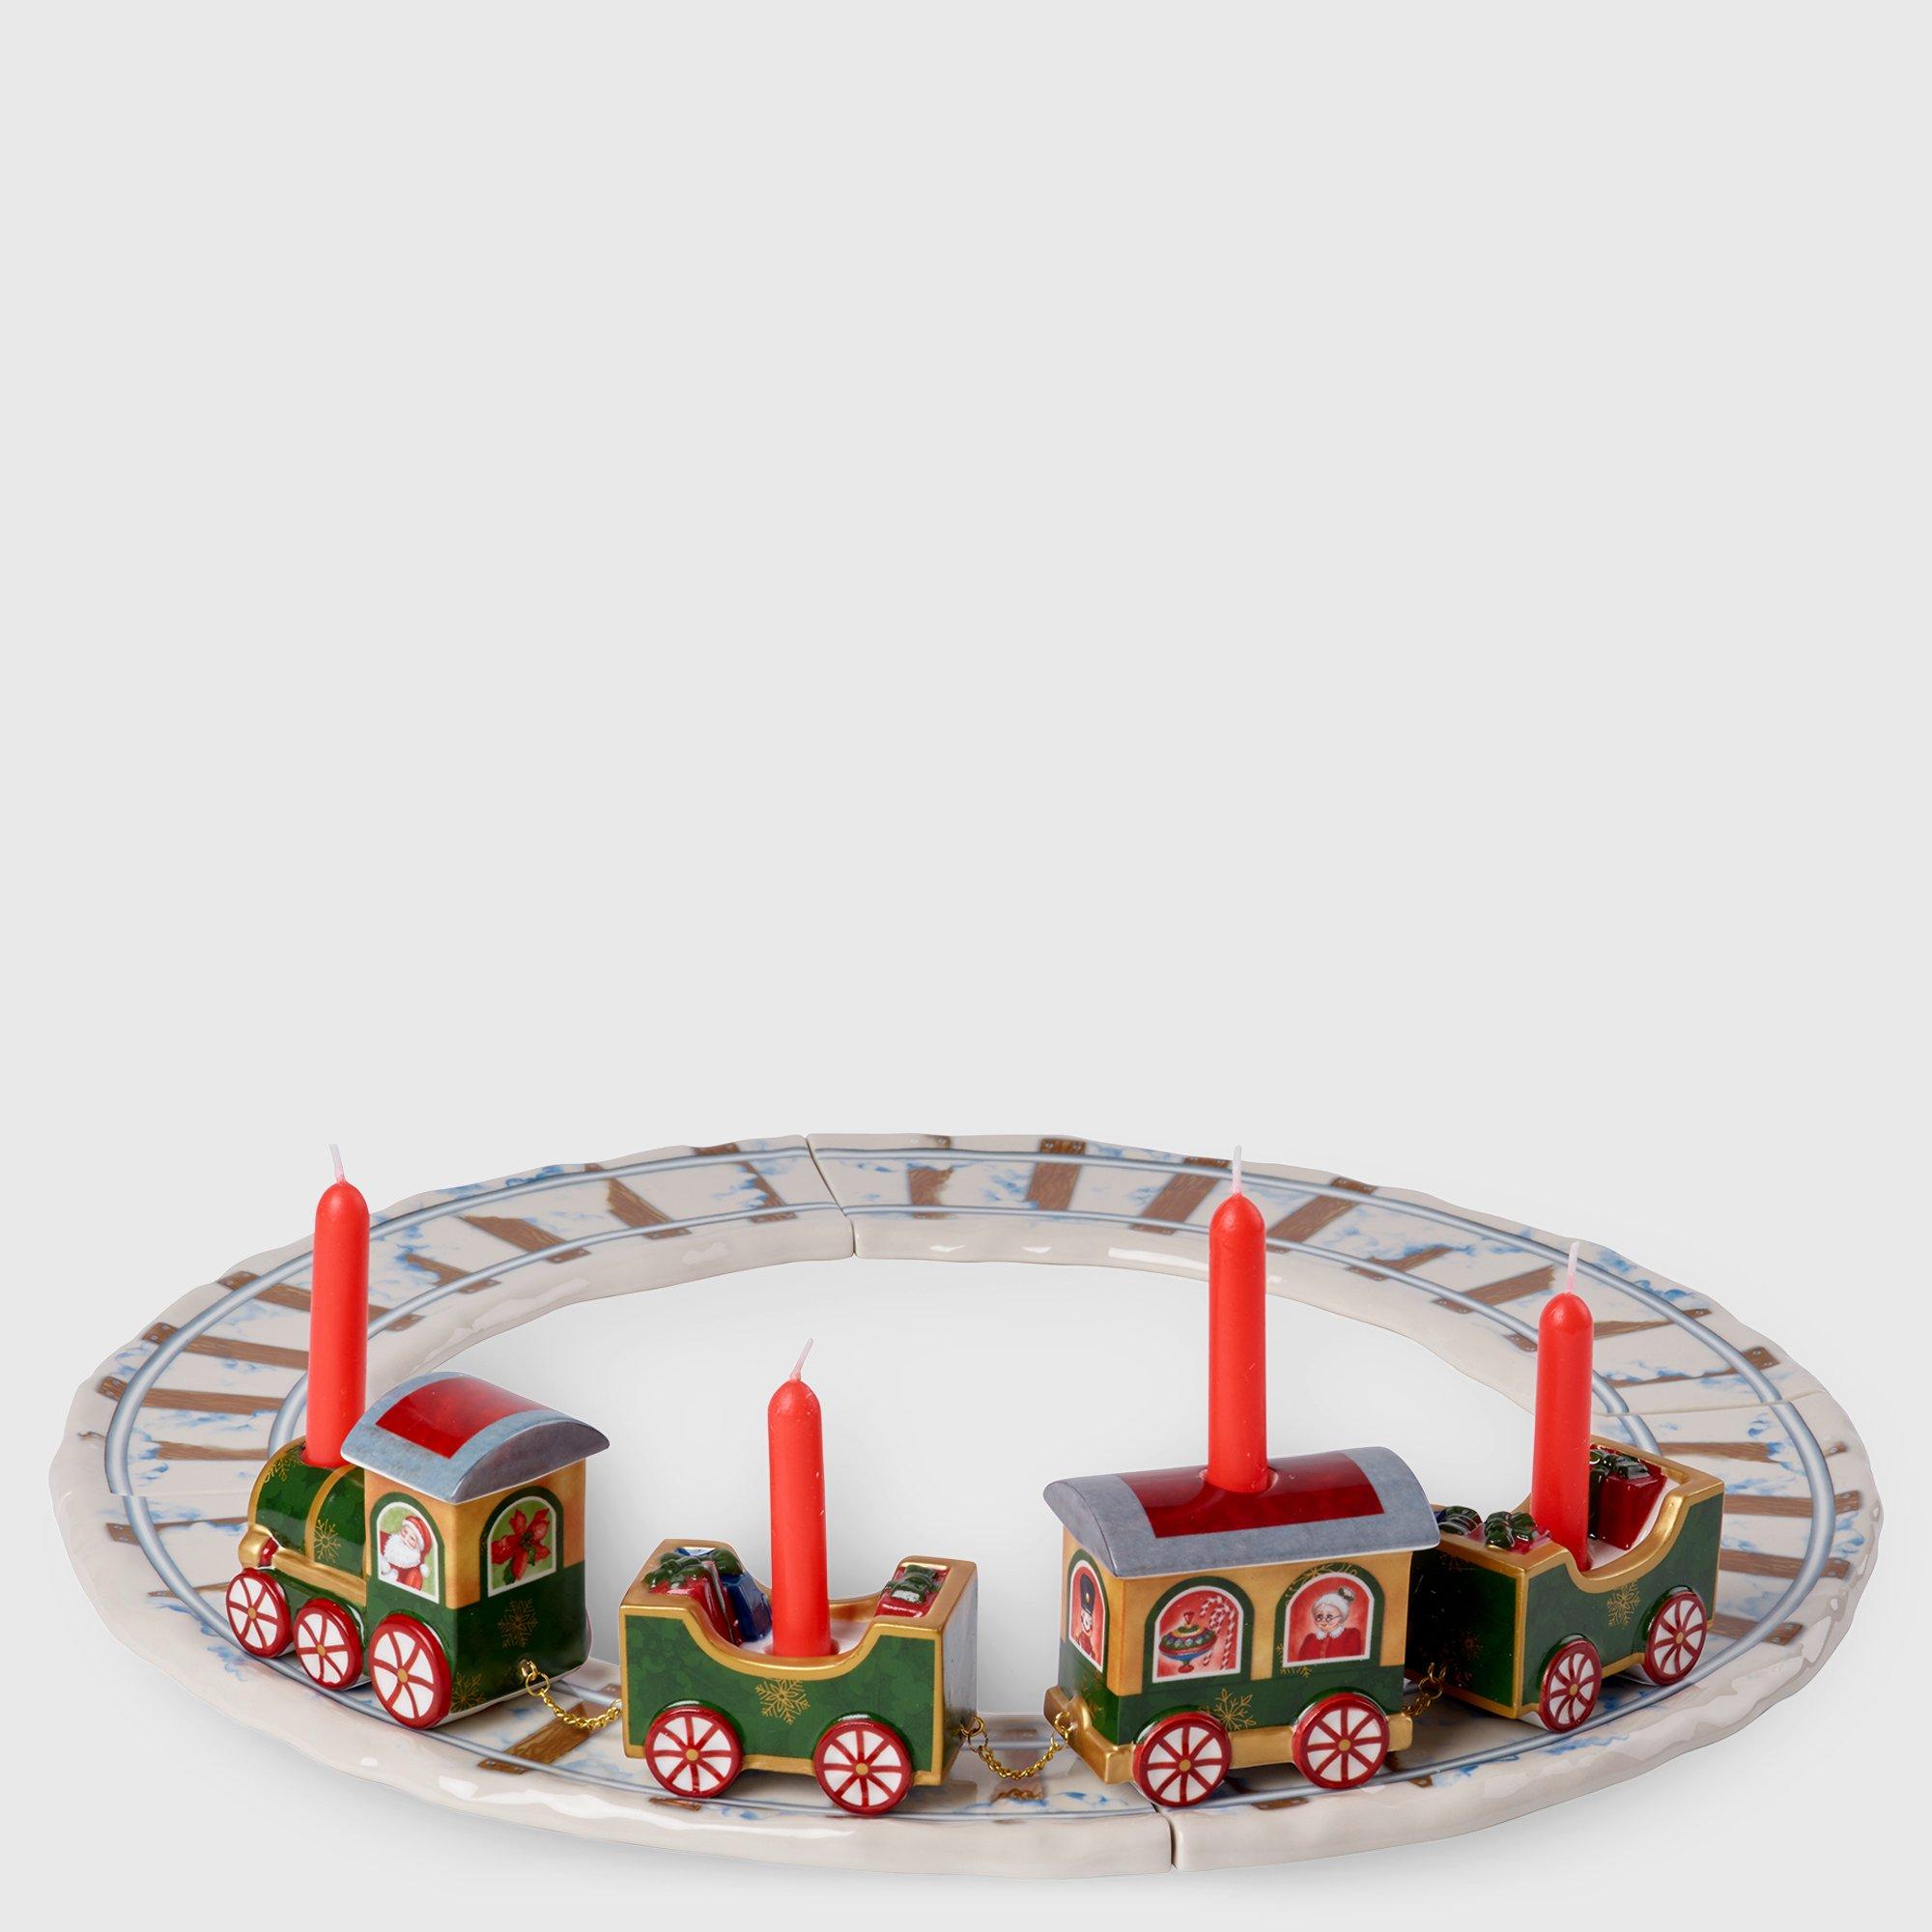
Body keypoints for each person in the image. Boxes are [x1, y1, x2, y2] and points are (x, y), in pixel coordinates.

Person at [1295, 1581, 1365, 1661]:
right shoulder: (1309, 1639)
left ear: (1340, 1617)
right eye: (1319, 1616)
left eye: (1329, 1616)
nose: (1323, 1620)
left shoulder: (1351, 1634)